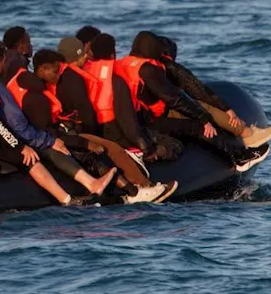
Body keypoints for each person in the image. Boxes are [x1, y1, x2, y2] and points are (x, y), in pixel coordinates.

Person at [0, 49, 116, 206]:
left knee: (45, 145)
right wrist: (22, 147)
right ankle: (68, 198)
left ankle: (88, 184)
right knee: (31, 157)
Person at [12, 50, 174, 204]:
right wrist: (85, 141)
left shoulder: (31, 90)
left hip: (60, 134)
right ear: (41, 70)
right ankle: (142, 188)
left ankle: (132, 187)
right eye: (54, 71)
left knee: (103, 148)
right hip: (58, 138)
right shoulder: (37, 100)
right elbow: (50, 133)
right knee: (111, 148)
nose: (58, 74)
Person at [118, 32, 268, 172]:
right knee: (199, 128)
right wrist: (203, 119)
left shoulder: (122, 64)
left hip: (129, 119)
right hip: (149, 120)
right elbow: (175, 98)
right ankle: (239, 157)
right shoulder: (148, 70)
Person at [156, 36, 271, 147]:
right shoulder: (167, 66)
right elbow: (197, 89)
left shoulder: (141, 65)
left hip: (143, 120)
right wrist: (226, 109)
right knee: (202, 107)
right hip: (159, 117)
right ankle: (246, 134)